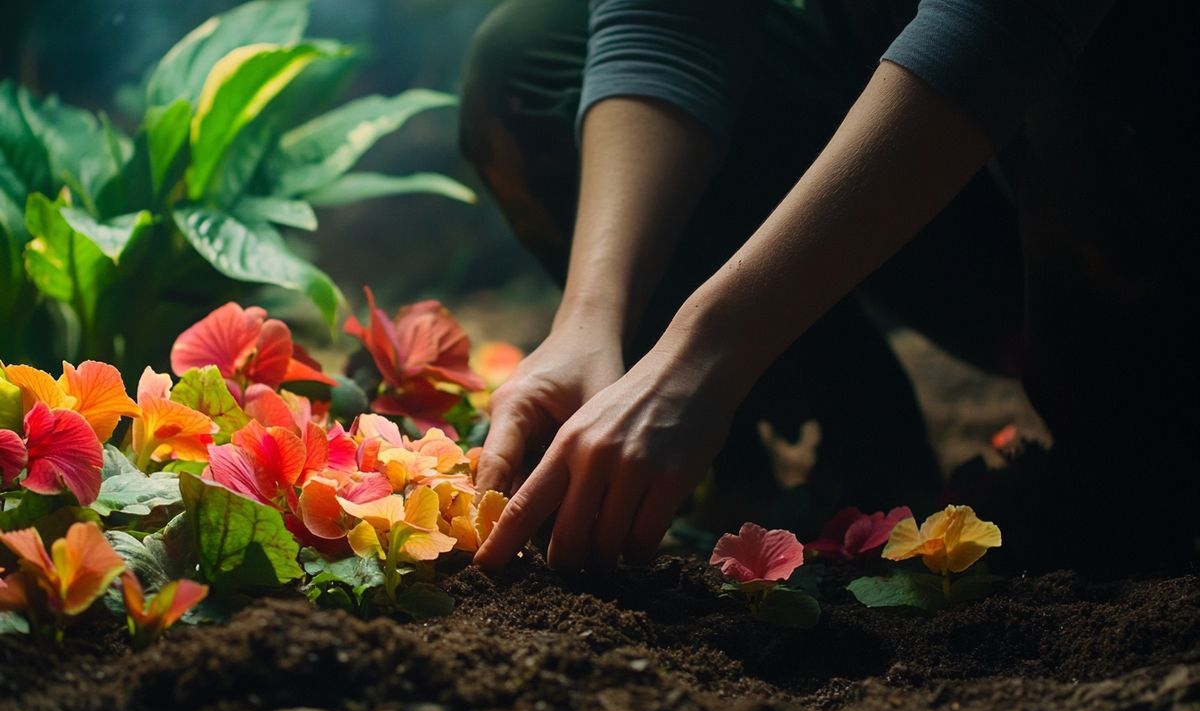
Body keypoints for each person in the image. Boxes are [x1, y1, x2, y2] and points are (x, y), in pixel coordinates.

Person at [458, 0, 1199, 574]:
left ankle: (1134, 437)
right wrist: (590, 319)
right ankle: (852, 438)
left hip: (1130, 169)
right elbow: (668, 21)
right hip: (951, 200)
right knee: (534, 53)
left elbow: (1001, 26)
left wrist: (705, 352)